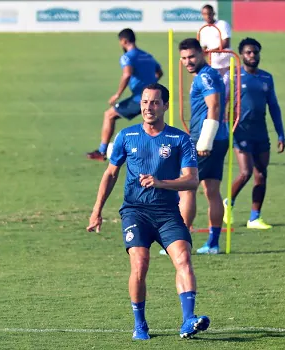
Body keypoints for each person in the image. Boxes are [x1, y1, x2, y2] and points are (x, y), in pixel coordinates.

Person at [87, 83, 210, 340]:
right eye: (144, 102)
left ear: (165, 106)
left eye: (154, 102)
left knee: (184, 259)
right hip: (135, 212)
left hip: (167, 212)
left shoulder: (179, 139)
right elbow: (110, 174)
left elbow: (191, 180)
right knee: (140, 265)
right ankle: (140, 324)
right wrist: (96, 210)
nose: (148, 107)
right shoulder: (126, 136)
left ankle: (188, 321)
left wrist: (161, 183)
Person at [223, 38, 285, 229]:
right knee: (245, 172)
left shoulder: (267, 78)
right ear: (241, 55)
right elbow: (223, 104)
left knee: (261, 174)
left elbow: (274, 106)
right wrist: (226, 131)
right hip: (240, 131)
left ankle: (254, 218)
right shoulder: (234, 76)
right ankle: (229, 203)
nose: (252, 55)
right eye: (248, 52)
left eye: (255, 52)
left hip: (261, 132)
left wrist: (281, 134)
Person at [174, 38, 229, 255]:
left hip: (205, 140)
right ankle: (213, 244)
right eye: (184, 58)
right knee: (212, 190)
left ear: (202, 54)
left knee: (186, 189)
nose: (188, 62)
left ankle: (180, 242)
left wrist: (205, 140)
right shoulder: (206, 75)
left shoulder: (205, 76)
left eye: (192, 57)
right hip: (218, 137)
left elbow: (214, 106)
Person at [86, 28, 163, 162]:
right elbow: (159, 72)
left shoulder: (127, 57)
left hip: (140, 98)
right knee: (151, 124)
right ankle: (160, 153)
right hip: (154, 97)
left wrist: (117, 94)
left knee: (109, 115)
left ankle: (101, 151)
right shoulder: (147, 55)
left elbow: (127, 74)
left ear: (124, 41)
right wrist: (152, 85)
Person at [198, 4, 232, 96]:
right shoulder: (202, 29)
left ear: (214, 13)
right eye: (205, 14)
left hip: (226, 64)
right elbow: (203, 47)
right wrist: (200, 55)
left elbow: (226, 42)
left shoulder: (222, 24)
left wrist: (211, 51)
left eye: (209, 13)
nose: (207, 16)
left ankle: (227, 109)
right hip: (212, 65)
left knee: (226, 91)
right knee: (214, 92)